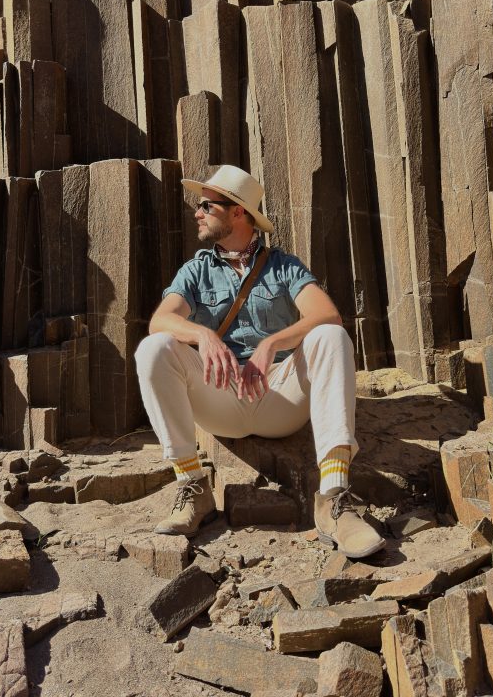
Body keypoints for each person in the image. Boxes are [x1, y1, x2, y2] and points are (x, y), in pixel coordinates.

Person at [134, 165, 385, 559]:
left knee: (330, 337)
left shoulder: (283, 266)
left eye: (206, 205)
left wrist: (272, 343)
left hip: (279, 399)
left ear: (237, 212)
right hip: (221, 400)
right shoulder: (196, 270)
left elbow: (328, 315)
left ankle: (334, 500)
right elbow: (159, 321)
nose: (197, 213)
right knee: (154, 348)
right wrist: (203, 335)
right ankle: (193, 488)